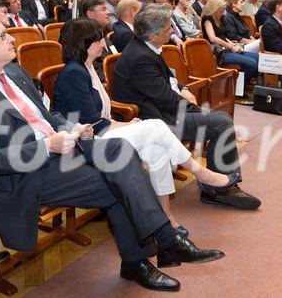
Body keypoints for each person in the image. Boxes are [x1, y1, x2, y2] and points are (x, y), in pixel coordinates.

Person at [0, 10, 225, 292]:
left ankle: (148, 252)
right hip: (27, 174)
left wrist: (74, 127)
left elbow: (46, 117)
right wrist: (46, 146)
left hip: (67, 150)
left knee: (120, 149)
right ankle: (159, 245)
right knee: (122, 178)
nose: (11, 39)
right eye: (2, 35)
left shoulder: (15, 72)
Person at [55, 18, 239, 233]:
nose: (104, 44)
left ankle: (166, 219)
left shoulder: (88, 68)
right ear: (83, 43)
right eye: (98, 40)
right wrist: (122, 125)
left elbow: (101, 116)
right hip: (85, 142)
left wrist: (123, 123)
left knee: (157, 147)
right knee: (156, 127)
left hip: (102, 132)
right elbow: (91, 122)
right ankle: (203, 175)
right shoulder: (73, 74)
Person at [114, 3, 261, 210]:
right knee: (220, 122)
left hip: (162, 108)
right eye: (168, 29)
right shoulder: (140, 58)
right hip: (155, 119)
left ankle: (219, 184)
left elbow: (167, 79)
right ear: (153, 35)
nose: (173, 30)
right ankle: (219, 190)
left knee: (218, 120)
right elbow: (167, 99)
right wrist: (200, 111)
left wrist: (182, 87)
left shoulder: (147, 47)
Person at [201, 0, 259, 86]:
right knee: (252, 64)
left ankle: (239, 86)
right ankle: (234, 87)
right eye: (220, 11)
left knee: (258, 58)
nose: (222, 13)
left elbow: (222, 36)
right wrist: (231, 46)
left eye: (223, 10)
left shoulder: (220, 18)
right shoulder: (207, 19)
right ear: (213, 9)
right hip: (218, 53)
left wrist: (232, 44)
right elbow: (213, 38)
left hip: (226, 48)